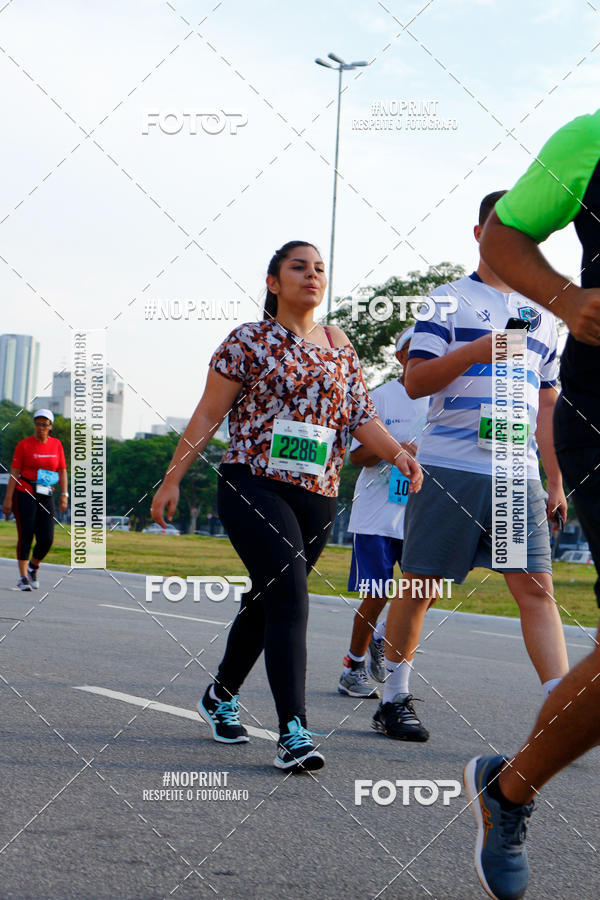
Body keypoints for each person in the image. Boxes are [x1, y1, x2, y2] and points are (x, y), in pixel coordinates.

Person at [151, 241, 422, 773]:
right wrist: (172, 478)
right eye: (299, 267)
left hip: (317, 494)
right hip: (253, 482)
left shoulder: (340, 344)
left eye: (319, 268)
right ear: (274, 282)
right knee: (292, 595)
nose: (312, 275)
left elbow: (360, 416)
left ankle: (219, 694)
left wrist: (399, 457)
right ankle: (292, 732)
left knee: (268, 600)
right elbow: (209, 413)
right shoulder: (247, 341)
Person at [372, 191, 570, 743]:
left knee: (535, 590)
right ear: (481, 234)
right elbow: (415, 381)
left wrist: (554, 481)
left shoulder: (549, 315)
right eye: (505, 230)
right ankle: (393, 694)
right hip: (449, 465)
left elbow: (548, 404)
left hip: (517, 474)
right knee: (420, 586)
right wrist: (478, 350)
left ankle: (558, 708)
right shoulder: (446, 300)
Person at [463, 111, 600, 900]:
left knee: (538, 587)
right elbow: (504, 239)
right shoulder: (590, 139)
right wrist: (566, 297)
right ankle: (510, 787)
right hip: (595, 415)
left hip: (525, 464)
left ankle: (505, 784)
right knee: (417, 585)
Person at [338, 326, 429, 700]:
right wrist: (393, 449)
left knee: (425, 591)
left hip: (421, 513)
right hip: (378, 513)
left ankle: (382, 636)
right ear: (401, 356)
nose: (426, 356)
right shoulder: (380, 397)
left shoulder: (441, 399)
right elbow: (356, 456)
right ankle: (352, 666)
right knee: (377, 592)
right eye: (416, 350)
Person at [2, 409, 68, 590]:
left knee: (46, 538)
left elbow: (62, 470)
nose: (40, 428)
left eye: (44, 425)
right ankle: (23, 577)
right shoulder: (24, 445)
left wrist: (64, 494)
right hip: (25, 491)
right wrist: (8, 499)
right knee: (26, 534)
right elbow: (14, 472)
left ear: (50, 427)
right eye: (38, 424)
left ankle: (33, 566)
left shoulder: (56, 445)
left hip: (46, 493)